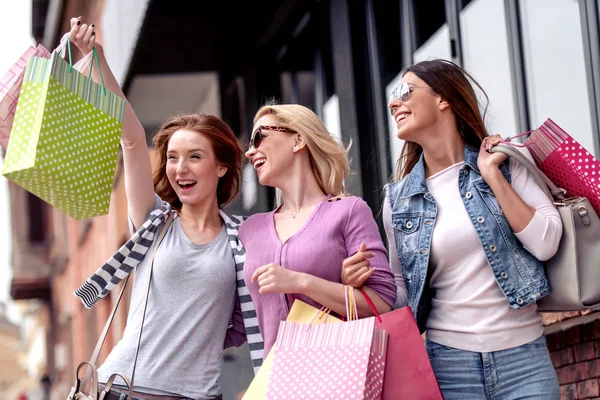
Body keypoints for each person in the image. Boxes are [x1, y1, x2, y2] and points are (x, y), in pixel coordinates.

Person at [346, 59, 563, 399]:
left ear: (443, 98)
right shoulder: (399, 201)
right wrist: (366, 282)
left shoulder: (507, 162)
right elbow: (403, 293)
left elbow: (546, 242)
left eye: (405, 91)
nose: (393, 103)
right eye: (393, 96)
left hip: (524, 360)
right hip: (450, 367)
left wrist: (491, 176)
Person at [68, 18, 261, 400]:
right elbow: (133, 139)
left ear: (221, 166)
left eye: (194, 156)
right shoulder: (153, 222)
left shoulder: (245, 237)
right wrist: (97, 60)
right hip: (124, 389)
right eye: (172, 157)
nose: (180, 168)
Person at [239, 103, 398, 356]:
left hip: (338, 377)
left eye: (259, 137)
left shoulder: (348, 211)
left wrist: (302, 282)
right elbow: (237, 317)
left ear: (298, 140)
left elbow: (381, 304)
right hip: (275, 384)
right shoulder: (250, 230)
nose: (250, 152)